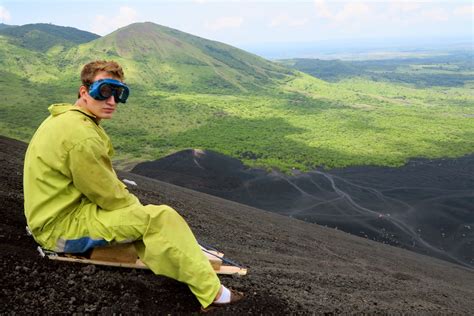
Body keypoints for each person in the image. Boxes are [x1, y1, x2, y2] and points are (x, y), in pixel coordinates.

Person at [23, 60, 243, 311]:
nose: (112, 101)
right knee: (160, 218)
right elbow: (110, 197)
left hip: (52, 214)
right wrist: (141, 214)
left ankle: (180, 262)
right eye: (104, 91)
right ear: (84, 92)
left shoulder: (63, 119)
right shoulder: (82, 136)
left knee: (141, 224)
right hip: (60, 228)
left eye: (118, 94)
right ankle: (214, 294)